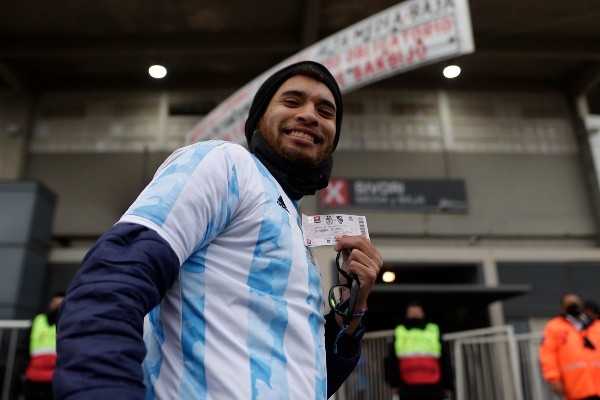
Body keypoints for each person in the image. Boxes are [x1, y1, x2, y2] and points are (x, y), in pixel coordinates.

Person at [53, 60, 383, 400]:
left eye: (325, 111)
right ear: (257, 119)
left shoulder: (296, 228)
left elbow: (304, 377)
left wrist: (353, 304)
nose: (310, 115)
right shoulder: (226, 163)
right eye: (292, 101)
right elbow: (111, 281)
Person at [384, 302, 453, 400]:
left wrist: (448, 384)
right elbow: (392, 360)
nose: (415, 315)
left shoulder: (433, 330)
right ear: (407, 315)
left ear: (423, 314)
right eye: (412, 312)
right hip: (408, 387)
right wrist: (393, 383)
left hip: (433, 386)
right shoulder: (400, 332)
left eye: (417, 312)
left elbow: (445, 359)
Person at [539, 293, 600, 400]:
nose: (573, 306)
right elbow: (548, 354)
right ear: (563, 308)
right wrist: (553, 378)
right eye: (569, 304)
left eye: (575, 303)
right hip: (576, 387)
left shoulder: (595, 325)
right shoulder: (555, 327)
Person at [22, 291, 65, 400]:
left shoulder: (67, 323)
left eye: (59, 305)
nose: (56, 308)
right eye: (54, 304)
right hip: (34, 377)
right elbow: (25, 348)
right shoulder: (38, 321)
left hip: (56, 378)